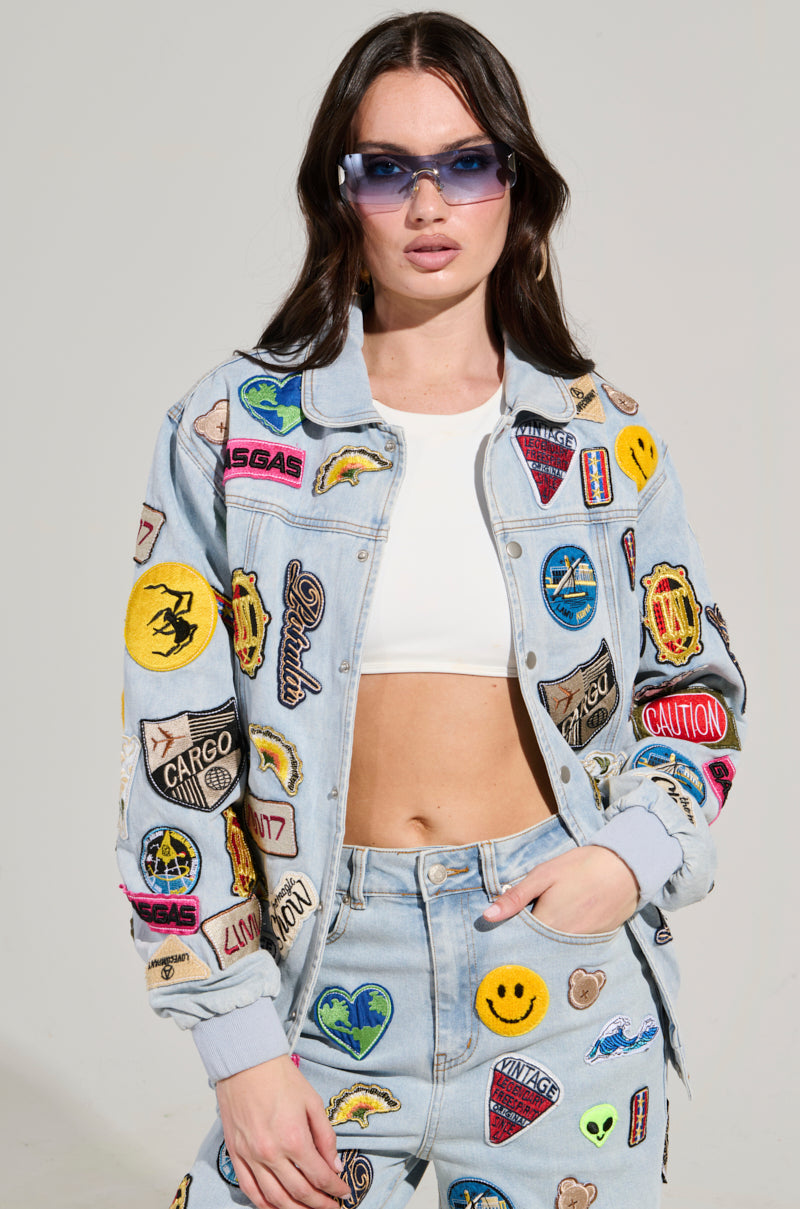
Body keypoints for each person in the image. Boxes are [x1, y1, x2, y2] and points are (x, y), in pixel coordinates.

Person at [118, 12, 746, 1209]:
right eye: (386, 169)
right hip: (318, 967)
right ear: (338, 196)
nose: (427, 204)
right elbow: (177, 751)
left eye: (464, 163)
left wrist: (630, 857)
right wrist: (236, 1041)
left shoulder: (600, 438)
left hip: (556, 979)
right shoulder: (234, 430)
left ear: (514, 188)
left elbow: (695, 690)